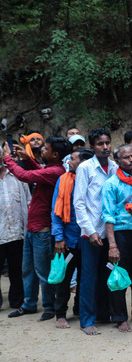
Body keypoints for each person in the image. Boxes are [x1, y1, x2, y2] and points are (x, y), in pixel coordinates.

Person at [5, 136, 69, 321]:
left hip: (42, 229)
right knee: (28, 270)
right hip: (34, 228)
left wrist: (8, 158)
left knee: (42, 271)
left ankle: (49, 306)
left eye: (46, 148)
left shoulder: (56, 171)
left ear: (55, 155)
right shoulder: (51, 169)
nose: (42, 150)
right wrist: (27, 159)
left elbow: (25, 176)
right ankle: (30, 304)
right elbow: (37, 172)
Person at [102, 144, 132, 333]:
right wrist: (112, 245)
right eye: (126, 158)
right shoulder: (111, 184)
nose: (131, 160)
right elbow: (107, 216)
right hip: (121, 234)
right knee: (119, 276)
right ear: (117, 161)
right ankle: (120, 317)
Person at [73, 129, 118, 335]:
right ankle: (87, 320)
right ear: (92, 147)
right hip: (90, 234)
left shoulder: (115, 167)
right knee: (89, 278)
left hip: (110, 232)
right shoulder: (85, 168)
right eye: (100, 144)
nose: (105, 147)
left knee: (106, 275)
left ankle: (104, 313)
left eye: (107, 143)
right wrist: (90, 231)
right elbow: (79, 203)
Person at [52, 148, 94, 329]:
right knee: (64, 278)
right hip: (69, 241)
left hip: (89, 240)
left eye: (73, 159)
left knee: (86, 279)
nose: (69, 162)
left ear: (84, 163)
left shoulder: (92, 180)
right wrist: (59, 238)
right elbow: (55, 212)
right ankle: (60, 314)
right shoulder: (63, 180)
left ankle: (79, 309)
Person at [0, 152, 30, 310]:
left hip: (17, 231)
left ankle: (17, 300)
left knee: (17, 269)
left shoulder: (17, 176)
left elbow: (28, 199)